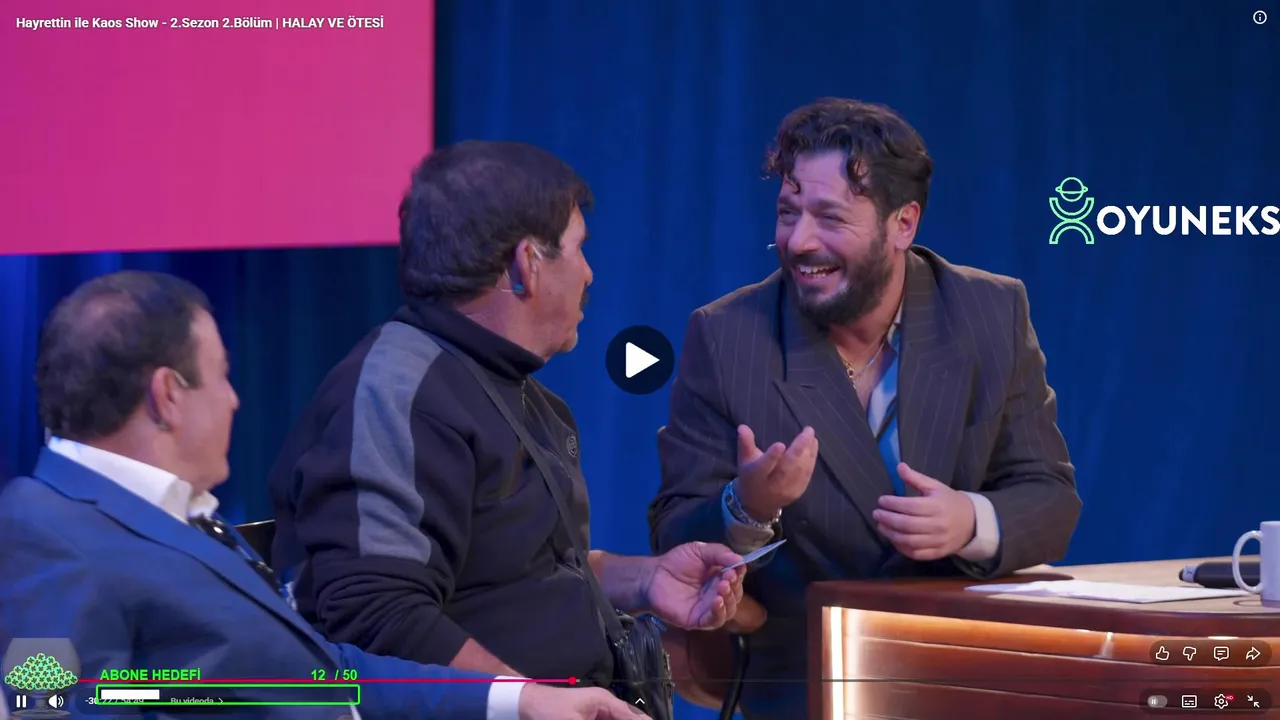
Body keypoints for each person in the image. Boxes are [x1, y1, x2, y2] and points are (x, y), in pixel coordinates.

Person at [0, 270, 642, 720]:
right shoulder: (43, 535)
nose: (234, 400)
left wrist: (524, 700)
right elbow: (49, 708)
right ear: (168, 395)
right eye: (221, 376)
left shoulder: (174, 519)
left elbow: (321, 676)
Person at [648, 98, 1083, 718]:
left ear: (903, 224)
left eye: (829, 217)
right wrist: (746, 506)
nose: (799, 241)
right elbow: (673, 536)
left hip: (969, 674)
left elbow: (1050, 499)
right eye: (788, 212)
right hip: (809, 683)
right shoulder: (728, 337)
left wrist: (970, 520)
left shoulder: (989, 312)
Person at [268, 141, 745, 692]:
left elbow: (514, 573)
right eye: (578, 249)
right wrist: (535, 705)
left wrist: (646, 579)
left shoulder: (506, 387)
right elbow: (376, 615)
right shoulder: (398, 394)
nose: (589, 275)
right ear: (527, 264)